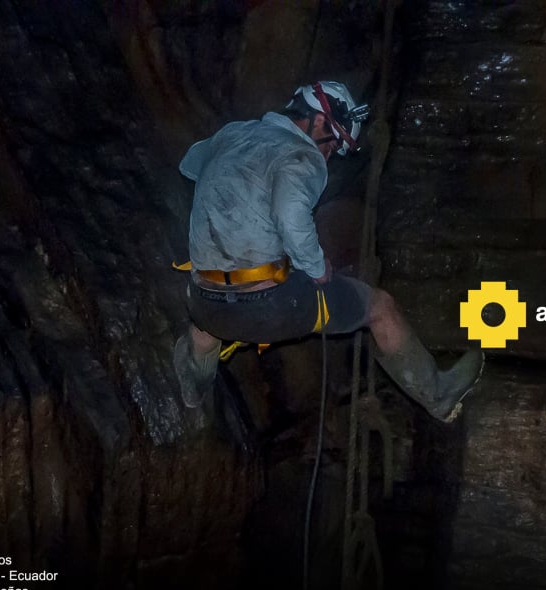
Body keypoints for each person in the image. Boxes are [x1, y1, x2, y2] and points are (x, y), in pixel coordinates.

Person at [174, 81, 483, 422]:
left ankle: (193, 387)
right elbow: (291, 217)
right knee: (379, 307)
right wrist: (317, 267)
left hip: (203, 303)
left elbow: (190, 166)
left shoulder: (231, 134)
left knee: (205, 326)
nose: (329, 154)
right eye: (333, 143)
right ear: (318, 120)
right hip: (269, 307)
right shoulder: (302, 155)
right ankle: (438, 395)